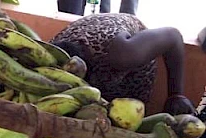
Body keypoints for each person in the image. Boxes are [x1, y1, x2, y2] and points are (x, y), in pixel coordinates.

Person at [52, 13, 194, 115]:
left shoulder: (123, 54)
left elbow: (173, 36)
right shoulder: (50, 58)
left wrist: (176, 95)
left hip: (128, 53)